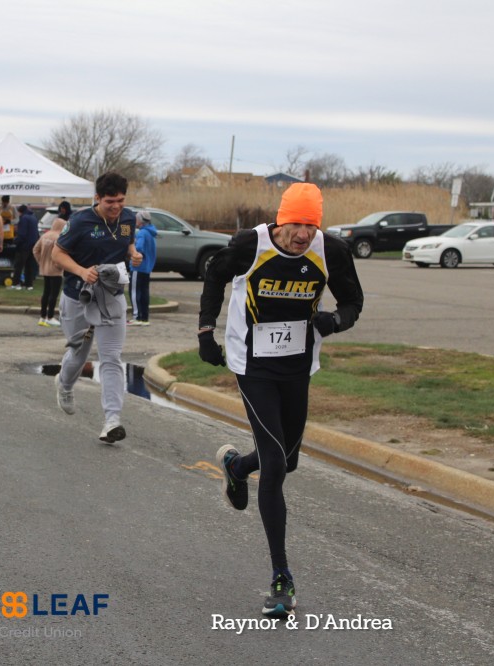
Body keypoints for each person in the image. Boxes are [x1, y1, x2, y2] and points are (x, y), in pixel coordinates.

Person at [197, 182, 363, 616]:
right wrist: (205, 332)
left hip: (297, 366)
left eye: (311, 226)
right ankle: (281, 578)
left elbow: (353, 301)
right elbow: (215, 275)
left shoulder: (331, 251)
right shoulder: (250, 245)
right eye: (295, 226)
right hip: (252, 364)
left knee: (286, 460)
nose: (303, 235)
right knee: (274, 467)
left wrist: (335, 321)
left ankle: (236, 466)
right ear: (280, 221)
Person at [51, 172, 142, 443]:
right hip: (78, 295)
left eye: (121, 200)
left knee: (111, 357)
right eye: (110, 202)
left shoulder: (128, 218)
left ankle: (112, 421)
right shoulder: (80, 222)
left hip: (111, 295)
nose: (116, 207)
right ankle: (64, 384)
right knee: (79, 354)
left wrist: (133, 253)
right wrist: (81, 271)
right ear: (97, 198)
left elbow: (127, 243)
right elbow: (57, 254)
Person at [33, 213, 67, 326]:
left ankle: (42, 317)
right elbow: (60, 253)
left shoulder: (45, 236)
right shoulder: (59, 238)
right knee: (54, 294)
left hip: (45, 269)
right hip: (56, 270)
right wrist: (59, 265)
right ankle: (50, 316)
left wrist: (40, 261)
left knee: (46, 293)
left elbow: (35, 250)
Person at [129, 210, 157, 325]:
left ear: (140, 221)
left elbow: (139, 248)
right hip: (147, 268)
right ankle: (144, 318)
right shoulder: (151, 233)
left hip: (138, 267)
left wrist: (132, 250)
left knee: (134, 292)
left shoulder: (141, 233)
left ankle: (137, 317)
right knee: (144, 292)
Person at [11, 204, 39, 290]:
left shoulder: (24, 218)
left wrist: (15, 241)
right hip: (33, 245)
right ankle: (29, 285)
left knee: (18, 266)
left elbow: (22, 234)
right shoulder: (34, 217)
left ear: (20, 212)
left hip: (24, 246)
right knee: (29, 266)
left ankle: (16, 284)